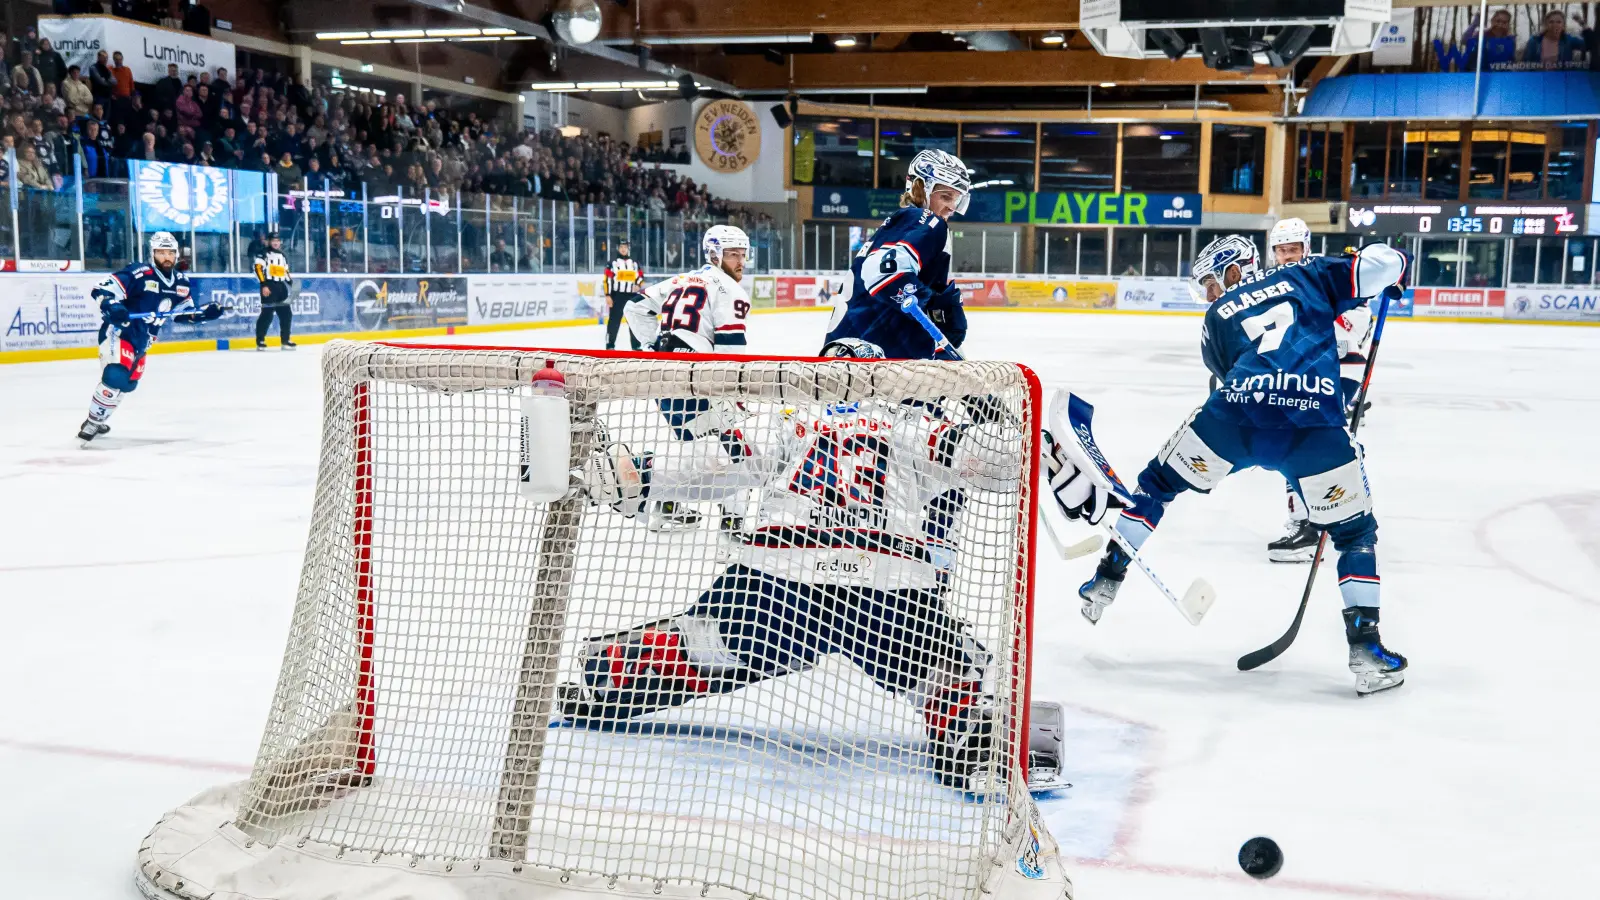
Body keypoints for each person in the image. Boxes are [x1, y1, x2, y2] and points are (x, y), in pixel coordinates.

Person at [566, 338, 1018, 790]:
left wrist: (641, 474)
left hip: (778, 581)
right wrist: (1005, 432)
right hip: (887, 587)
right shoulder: (911, 421)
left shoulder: (788, 414)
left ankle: (612, 671)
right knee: (943, 672)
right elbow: (990, 464)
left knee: (711, 642)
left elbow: (721, 464)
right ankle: (971, 739)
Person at [1077, 234, 1410, 695]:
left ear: (1235, 271)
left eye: (1213, 282)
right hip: (1313, 425)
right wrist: (1397, 269)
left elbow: (1224, 373)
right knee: (1354, 533)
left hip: (1236, 418)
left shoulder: (1217, 315)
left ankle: (1106, 578)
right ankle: (1367, 649)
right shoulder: (1308, 274)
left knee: (1156, 486)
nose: (1211, 294)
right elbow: (1383, 262)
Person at [1259, 218, 1380, 563]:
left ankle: (1312, 526)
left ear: (1306, 247)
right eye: (1282, 250)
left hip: (1337, 369)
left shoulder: (1323, 275)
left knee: (1299, 444)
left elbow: (1354, 323)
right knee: (1296, 444)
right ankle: (1326, 517)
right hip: (1303, 374)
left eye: (1293, 249)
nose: (1288, 256)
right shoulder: (1273, 284)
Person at [623, 225, 752, 530]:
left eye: (743, 254)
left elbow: (635, 308)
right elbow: (731, 351)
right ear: (714, 254)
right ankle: (733, 523)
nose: (740, 262)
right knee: (737, 451)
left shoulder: (680, 280)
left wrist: (650, 347)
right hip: (699, 382)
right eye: (732, 254)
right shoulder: (729, 289)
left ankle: (666, 506)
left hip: (666, 378)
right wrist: (734, 392)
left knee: (696, 448)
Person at [78, 232, 222, 442]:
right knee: (115, 375)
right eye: (161, 252)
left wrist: (204, 313)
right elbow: (101, 289)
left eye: (170, 252)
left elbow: (183, 314)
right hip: (120, 332)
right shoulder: (139, 274)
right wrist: (113, 306)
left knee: (128, 384)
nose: (166, 257)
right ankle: (91, 424)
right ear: (152, 253)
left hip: (142, 341)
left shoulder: (181, 282)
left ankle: (97, 419)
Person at [825, 149, 969, 360]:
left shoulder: (901, 224)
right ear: (920, 188)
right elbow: (881, 272)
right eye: (946, 196)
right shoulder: (930, 221)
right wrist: (931, 306)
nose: (951, 207)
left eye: (956, 199)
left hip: (848, 354)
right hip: (869, 361)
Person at [253, 230, 295, 350]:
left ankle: (285, 340)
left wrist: (292, 284)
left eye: (277, 241)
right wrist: (264, 285)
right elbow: (258, 269)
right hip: (269, 287)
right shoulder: (263, 254)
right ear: (268, 242)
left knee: (286, 314)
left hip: (281, 287)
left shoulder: (282, 255)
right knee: (267, 314)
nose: (276, 243)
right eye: (273, 241)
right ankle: (260, 340)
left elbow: (285, 272)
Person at [602, 238, 645, 350]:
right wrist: (608, 295)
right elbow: (607, 279)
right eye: (621, 247)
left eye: (625, 247)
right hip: (617, 296)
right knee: (614, 322)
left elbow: (640, 276)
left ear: (628, 248)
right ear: (618, 248)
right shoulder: (612, 263)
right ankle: (610, 345)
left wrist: (638, 285)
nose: (623, 249)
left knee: (633, 321)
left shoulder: (634, 263)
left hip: (631, 296)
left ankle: (636, 346)